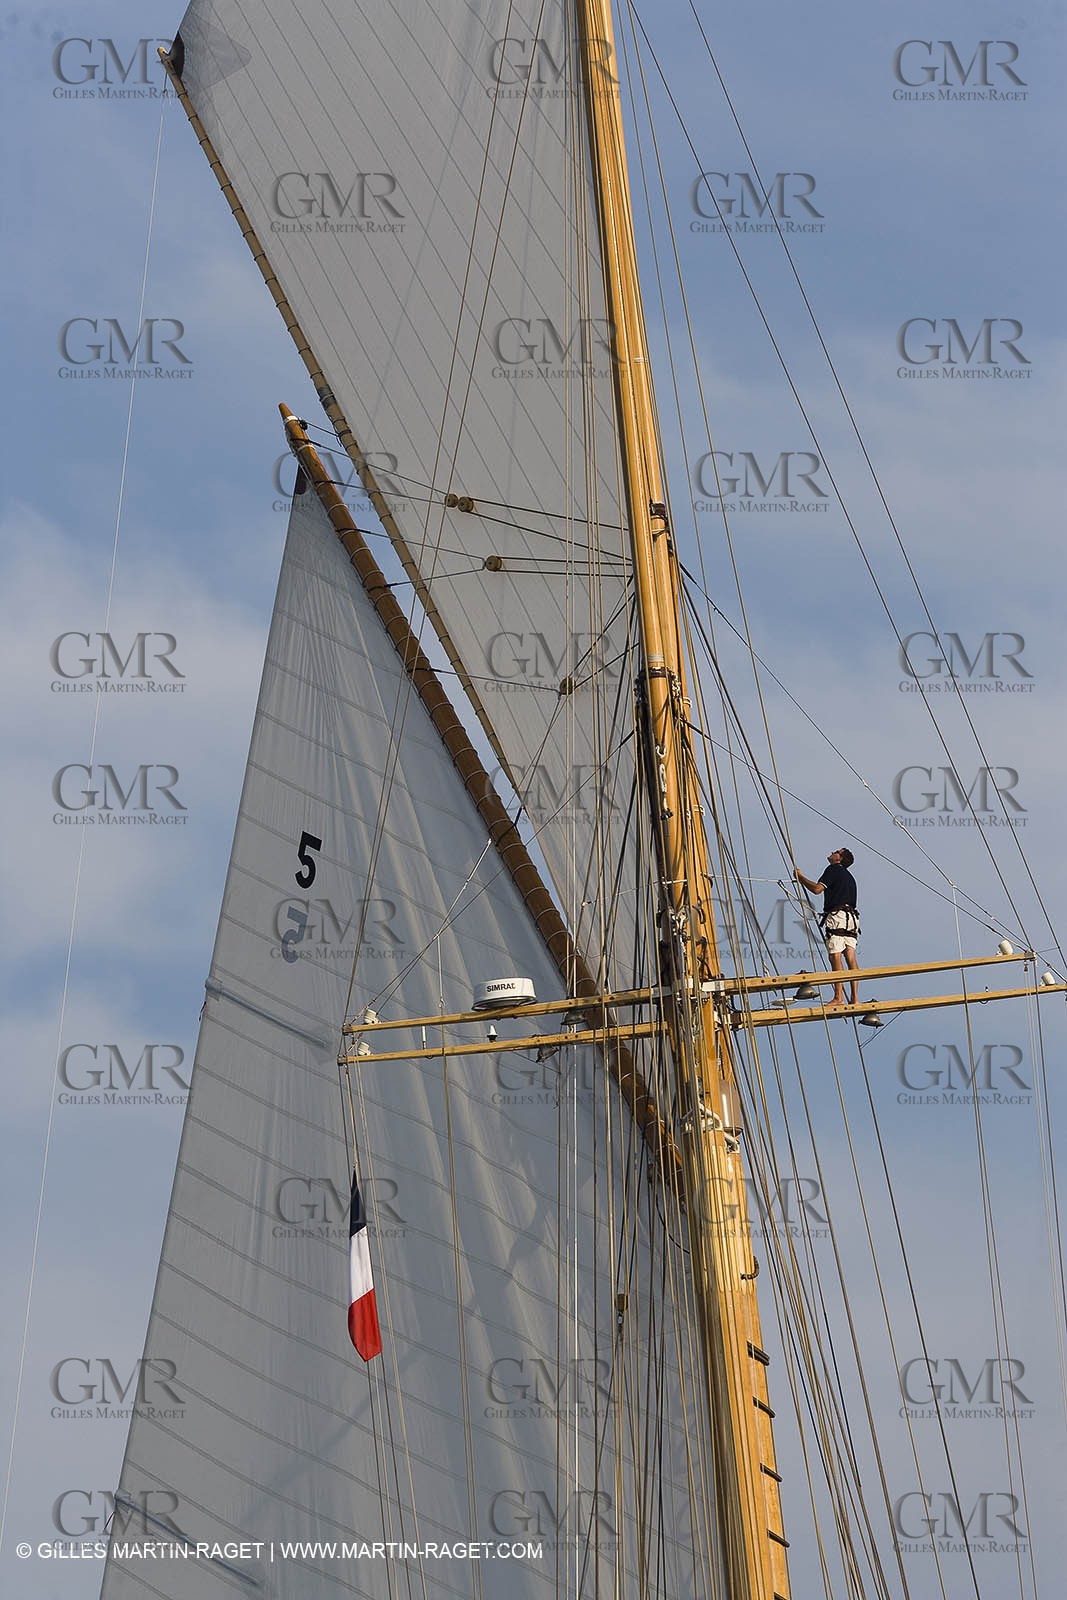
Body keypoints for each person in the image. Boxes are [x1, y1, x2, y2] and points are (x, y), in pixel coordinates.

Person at [794, 848, 859, 1008]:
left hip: (837, 916)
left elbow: (817, 889)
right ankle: (855, 998)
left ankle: (838, 997)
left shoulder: (833, 869)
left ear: (839, 858)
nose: (832, 852)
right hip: (852, 919)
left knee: (835, 956)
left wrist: (801, 878)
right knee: (850, 956)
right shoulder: (850, 877)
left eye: (836, 851)